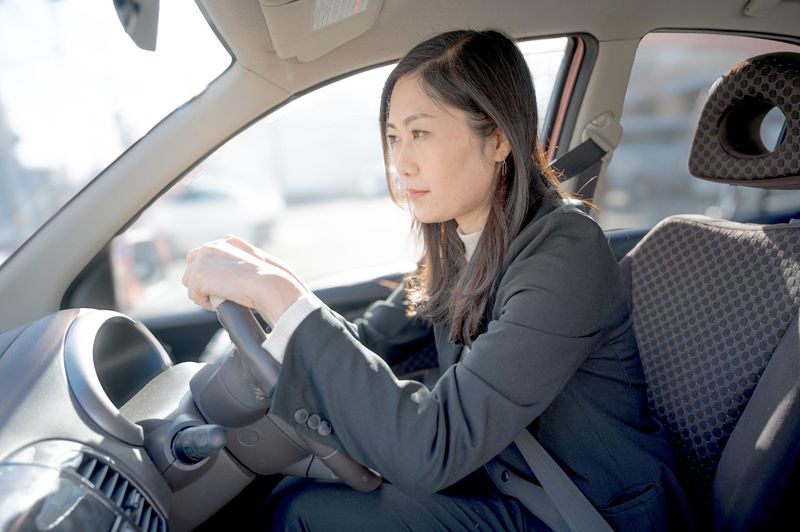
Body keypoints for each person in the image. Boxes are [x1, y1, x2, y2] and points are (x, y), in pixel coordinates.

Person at [182, 29, 694, 531]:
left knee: (299, 514)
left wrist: (280, 295)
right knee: (289, 493)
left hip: (583, 509)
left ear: (496, 137)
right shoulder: (457, 245)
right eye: (392, 137)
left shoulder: (564, 255)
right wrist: (276, 293)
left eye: (420, 133)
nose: (400, 163)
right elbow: (365, 342)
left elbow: (433, 447)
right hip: (504, 479)